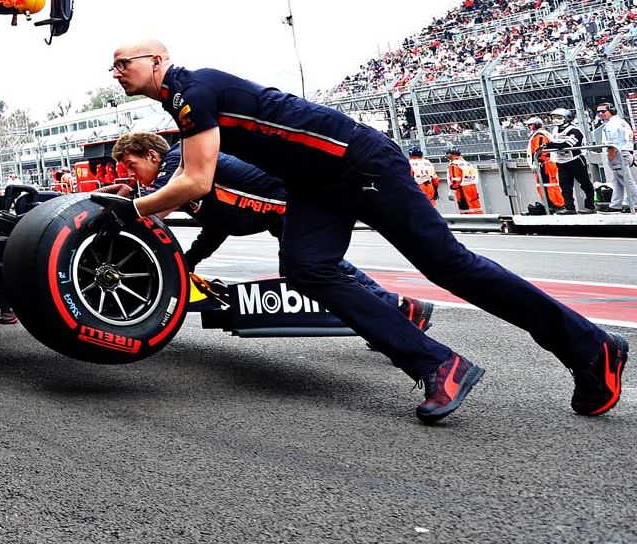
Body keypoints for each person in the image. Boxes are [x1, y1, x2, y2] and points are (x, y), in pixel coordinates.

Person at [107, 39, 625, 423]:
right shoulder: (183, 101)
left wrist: (132, 210)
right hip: (314, 182)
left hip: (360, 163)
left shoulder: (193, 90)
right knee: (306, 267)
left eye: (122, 62)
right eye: (112, 66)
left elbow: (195, 180)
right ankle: (436, 365)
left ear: (158, 61)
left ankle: (590, 346)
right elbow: (199, 182)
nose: (115, 71)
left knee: (451, 267)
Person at [106, 132, 432, 327]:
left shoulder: (180, 163)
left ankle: (397, 309)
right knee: (316, 269)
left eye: (133, 166)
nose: (134, 176)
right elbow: (217, 227)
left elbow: (152, 210)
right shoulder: (187, 181)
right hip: (285, 208)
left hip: (297, 199)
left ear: (152, 154)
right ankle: (399, 309)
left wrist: (124, 202)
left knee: (309, 271)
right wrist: (189, 263)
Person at [547, 107, 594, 213]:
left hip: (575, 160)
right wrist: (552, 145)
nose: (555, 120)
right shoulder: (555, 130)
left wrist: (551, 145)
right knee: (565, 187)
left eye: (558, 117)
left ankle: (590, 206)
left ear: (567, 118)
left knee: (585, 184)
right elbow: (553, 145)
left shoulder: (574, 130)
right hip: (561, 162)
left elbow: (567, 144)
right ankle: (570, 208)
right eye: (554, 117)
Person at [596, 104, 635, 212]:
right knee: (617, 181)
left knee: (627, 181)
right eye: (598, 112)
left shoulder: (612, 124)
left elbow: (612, 144)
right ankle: (615, 205)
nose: (600, 114)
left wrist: (610, 156)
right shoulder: (620, 122)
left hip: (619, 154)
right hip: (625, 152)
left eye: (603, 111)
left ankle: (635, 203)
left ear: (611, 111)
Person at [525, 117, 567, 214]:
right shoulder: (541, 134)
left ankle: (556, 205)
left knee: (548, 185)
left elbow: (540, 150)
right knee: (546, 185)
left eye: (530, 125)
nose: (529, 127)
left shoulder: (540, 136)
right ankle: (552, 204)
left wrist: (538, 162)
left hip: (544, 164)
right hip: (543, 164)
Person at [445, 149, 482, 213]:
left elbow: (456, 180)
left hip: (462, 189)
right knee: (475, 206)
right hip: (472, 187)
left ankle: (468, 221)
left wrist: (452, 191)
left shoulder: (454, 165)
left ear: (452, 154)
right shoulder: (467, 163)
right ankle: (481, 220)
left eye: (447, 154)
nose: (446, 156)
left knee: (465, 208)